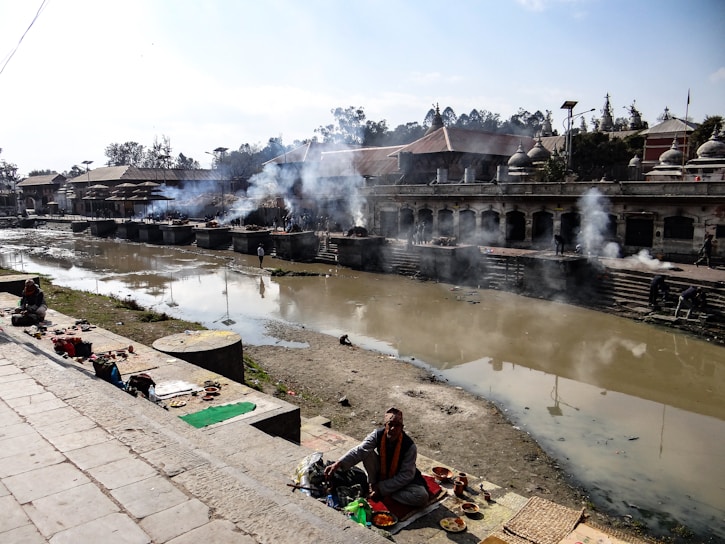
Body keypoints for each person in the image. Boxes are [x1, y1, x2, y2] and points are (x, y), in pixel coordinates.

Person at [323, 407, 429, 507]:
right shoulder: (377, 435)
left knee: (422, 497)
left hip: (400, 479)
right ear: (385, 425)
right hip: (381, 473)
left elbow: (406, 475)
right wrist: (338, 463)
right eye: (390, 424)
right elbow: (360, 450)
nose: (393, 429)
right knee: (366, 452)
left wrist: (381, 488)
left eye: (397, 426)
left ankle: (383, 492)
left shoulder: (410, 446)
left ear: (402, 428)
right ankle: (373, 485)